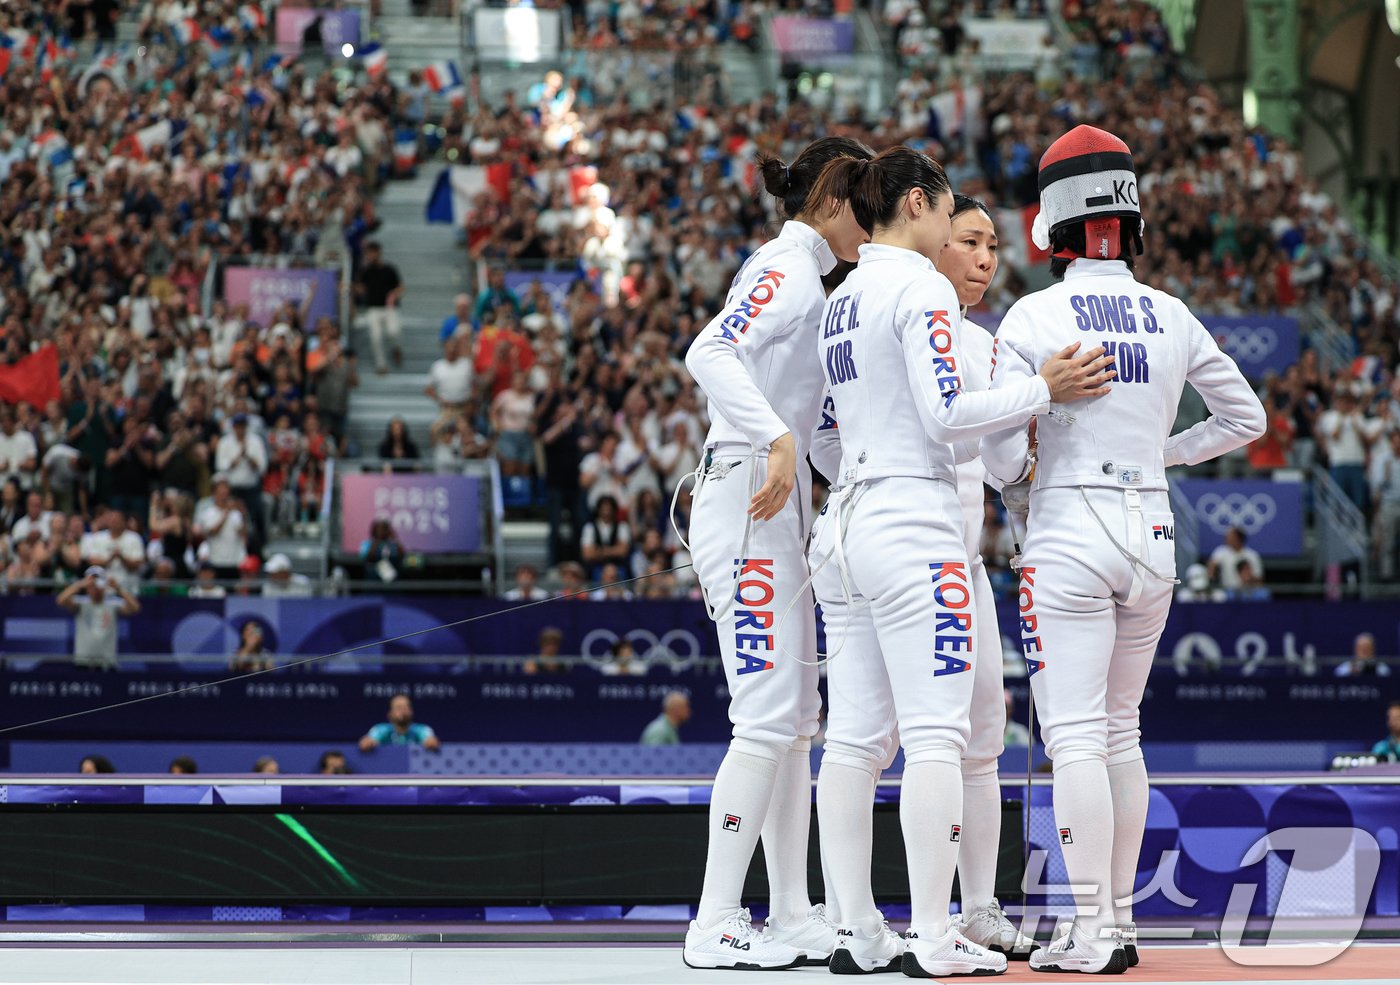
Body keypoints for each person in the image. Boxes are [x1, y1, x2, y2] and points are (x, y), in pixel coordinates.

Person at [808, 146, 1106, 977]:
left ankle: (857, 930)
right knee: (935, 736)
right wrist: (1044, 387)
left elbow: (828, 438)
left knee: (856, 743)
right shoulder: (919, 286)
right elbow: (946, 415)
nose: (959, 239)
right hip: (914, 527)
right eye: (951, 219)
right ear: (918, 203)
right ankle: (937, 936)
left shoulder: (845, 297)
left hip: (848, 524)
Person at [981, 125, 1266, 973]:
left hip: (1069, 532)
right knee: (1120, 733)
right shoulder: (1171, 313)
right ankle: (1117, 924)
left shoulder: (1034, 313)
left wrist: (1023, 475)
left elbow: (999, 450)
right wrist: (1158, 455)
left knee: (1072, 737)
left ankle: (1093, 929)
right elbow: (1244, 418)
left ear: (1055, 224)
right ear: (1129, 220)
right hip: (1154, 539)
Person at [681, 135, 877, 971]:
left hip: (778, 499)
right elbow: (707, 350)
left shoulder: (816, 282)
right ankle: (715, 918)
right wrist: (774, 438)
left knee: (799, 722)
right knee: (765, 716)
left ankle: (792, 909)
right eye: (865, 205)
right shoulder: (787, 264)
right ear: (833, 195)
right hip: (750, 493)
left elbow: (821, 431)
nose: (872, 226)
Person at [933, 193, 1036, 960]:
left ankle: (978, 908)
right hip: (906, 553)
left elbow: (1003, 464)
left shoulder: (987, 342)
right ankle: (873, 914)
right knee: (873, 740)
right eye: (970, 241)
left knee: (983, 739)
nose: (985, 259)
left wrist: (1029, 438)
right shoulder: (904, 322)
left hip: (964, 564)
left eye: (993, 247)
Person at [57, 566, 141, 670]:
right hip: (83, 663)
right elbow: (60, 600)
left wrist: (118, 589)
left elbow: (135, 608)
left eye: (98, 581)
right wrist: (79, 585)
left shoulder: (113, 603)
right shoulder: (80, 602)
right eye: (91, 582)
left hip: (106, 664)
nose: (95, 586)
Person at [357, 242, 404, 374]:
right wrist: (358, 290)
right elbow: (360, 287)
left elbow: (400, 287)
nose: (371, 255)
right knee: (375, 336)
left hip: (389, 307)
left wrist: (394, 294)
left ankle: (396, 348)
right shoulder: (365, 271)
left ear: (378, 252)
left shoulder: (389, 269)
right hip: (373, 308)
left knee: (393, 331)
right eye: (368, 253)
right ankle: (381, 364)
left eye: (373, 252)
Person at [359, 693, 441, 751]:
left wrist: (431, 742)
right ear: (390, 714)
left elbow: (431, 740)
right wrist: (368, 742)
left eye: (406, 707)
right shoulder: (381, 729)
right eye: (398, 708)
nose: (403, 710)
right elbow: (367, 741)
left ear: (411, 712)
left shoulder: (421, 729)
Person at [1206, 527, 1263, 593]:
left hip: (1248, 592)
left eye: (1230, 536)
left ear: (1238, 538)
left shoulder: (1252, 555)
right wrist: (1211, 572)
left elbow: (1259, 580)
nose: (1226, 538)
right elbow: (1211, 568)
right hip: (1227, 591)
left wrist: (1249, 578)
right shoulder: (1221, 552)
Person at [359, 518, 404, 582]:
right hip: (373, 577)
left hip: (392, 577)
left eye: (384, 529)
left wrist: (394, 538)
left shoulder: (393, 543)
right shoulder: (367, 543)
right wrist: (377, 541)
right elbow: (366, 559)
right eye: (379, 529)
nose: (381, 531)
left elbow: (402, 555)